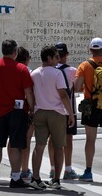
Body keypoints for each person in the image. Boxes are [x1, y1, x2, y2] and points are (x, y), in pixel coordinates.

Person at [0, 39, 35, 189]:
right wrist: (32, 108)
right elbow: (28, 91)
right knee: (15, 146)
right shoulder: (22, 69)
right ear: (15, 51)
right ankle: (15, 177)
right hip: (17, 113)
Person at [29, 45, 75, 190]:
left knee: (39, 146)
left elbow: (30, 93)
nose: (58, 59)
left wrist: (32, 110)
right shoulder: (57, 74)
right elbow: (63, 95)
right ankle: (56, 180)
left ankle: (35, 178)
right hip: (56, 113)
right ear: (49, 58)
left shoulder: (34, 73)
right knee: (59, 146)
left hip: (40, 111)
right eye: (56, 56)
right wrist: (71, 113)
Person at [47, 42, 79, 180]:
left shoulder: (49, 71)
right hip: (68, 109)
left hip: (54, 108)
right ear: (66, 55)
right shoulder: (72, 71)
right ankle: (68, 168)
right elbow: (77, 88)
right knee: (68, 139)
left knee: (52, 140)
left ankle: (53, 168)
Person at [73, 37, 102, 182]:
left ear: (91, 50)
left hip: (90, 106)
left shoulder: (84, 65)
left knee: (90, 140)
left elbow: (77, 87)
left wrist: (87, 88)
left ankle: (89, 171)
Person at [15, 47, 35, 181]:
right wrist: (32, 108)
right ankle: (24, 169)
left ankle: (14, 169)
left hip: (12, 109)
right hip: (25, 109)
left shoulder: (12, 69)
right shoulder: (27, 71)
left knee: (13, 141)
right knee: (26, 141)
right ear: (27, 59)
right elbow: (30, 92)